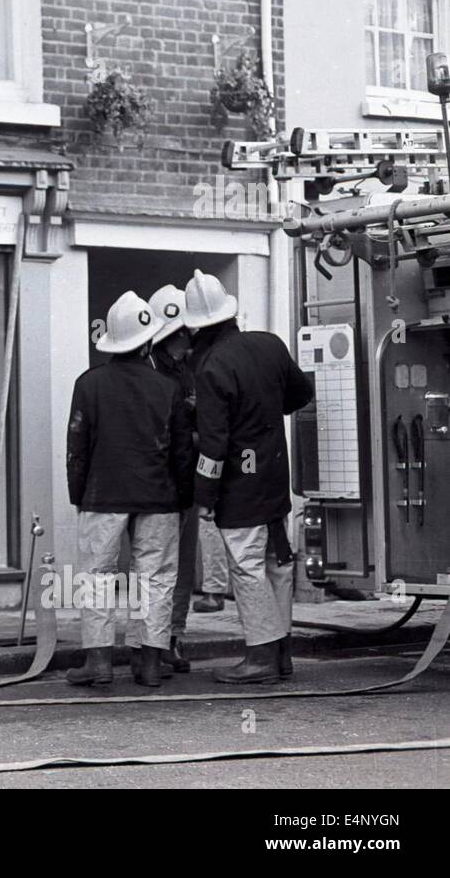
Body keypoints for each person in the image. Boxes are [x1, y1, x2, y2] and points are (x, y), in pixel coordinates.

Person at [184, 270, 314, 683]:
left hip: (239, 488)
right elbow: (301, 394)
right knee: (278, 562)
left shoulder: (210, 367)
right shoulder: (270, 345)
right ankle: (282, 654)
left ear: (198, 329)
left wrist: (204, 495)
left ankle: (259, 656)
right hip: (275, 476)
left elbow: (214, 444)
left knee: (246, 565)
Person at [65, 291, 193, 688]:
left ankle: (99, 662)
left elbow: (77, 449)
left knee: (97, 576)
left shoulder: (89, 384)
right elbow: (183, 452)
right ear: (149, 341)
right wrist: (183, 497)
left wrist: (78, 495)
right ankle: (150, 663)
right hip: (159, 495)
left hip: (103, 494)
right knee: (155, 577)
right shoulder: (167, 389)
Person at [147, 284, 197, 673]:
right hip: (160, 486)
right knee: (157, 570)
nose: (189, 338)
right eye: (183, 333)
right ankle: (153, 642)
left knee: (181, 568)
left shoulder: (186, 368)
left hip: (185, 479)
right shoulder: (151, 374)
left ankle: (173, 637)